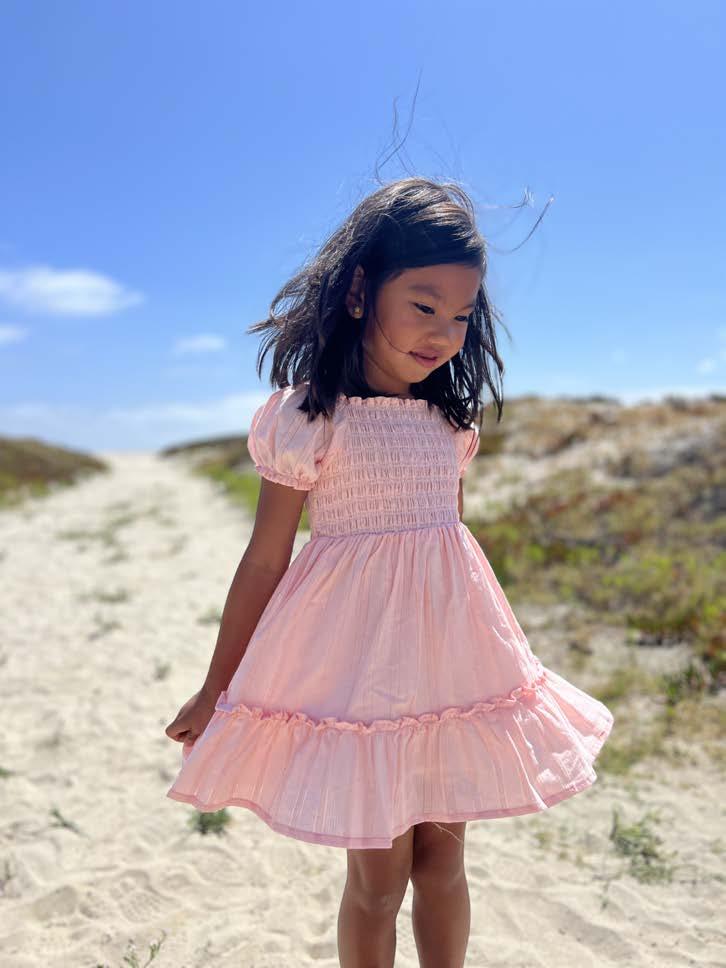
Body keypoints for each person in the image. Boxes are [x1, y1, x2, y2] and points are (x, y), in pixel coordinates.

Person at [164, 176, 615, 967]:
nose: (443, 332)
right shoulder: (308, 419)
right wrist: (215, 687)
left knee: (443, 866)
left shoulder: (450, 422)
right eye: (424, 305)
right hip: (359, 680)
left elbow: (449, 552)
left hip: (448, 675)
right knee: (378, 883)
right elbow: (266, 558)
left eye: (461, 315)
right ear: (359, 292)